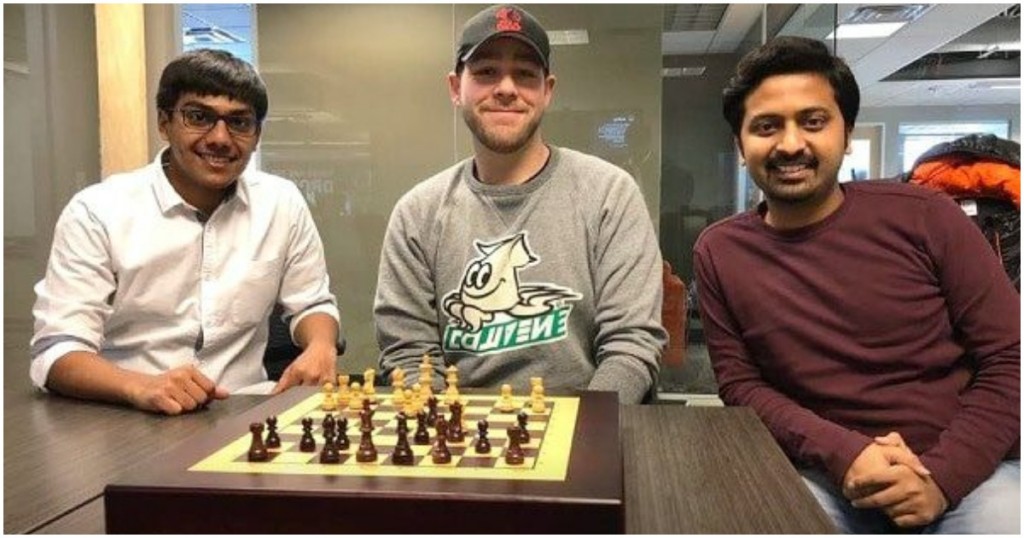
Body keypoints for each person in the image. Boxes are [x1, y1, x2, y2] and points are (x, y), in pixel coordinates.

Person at [693, 36, 1020, 533]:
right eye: (766, 127)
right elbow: (741, 386)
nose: (790, 144)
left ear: (846, 134)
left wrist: (942, 478)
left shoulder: (927, 216)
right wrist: (846, 454)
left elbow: (1010, 358)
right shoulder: (719, 252)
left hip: (968, 473)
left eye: (813, 121)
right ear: (741, 147)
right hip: (823, 474)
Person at [373, 5, 666, 404]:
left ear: (548, 91)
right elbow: (408, 354)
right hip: (460, 435)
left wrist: (583, 438)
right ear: (455, 88)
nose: (506, 88)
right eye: (486, 71)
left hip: (587, 426)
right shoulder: (417, 213)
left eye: (525, 74)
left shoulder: (610, 194)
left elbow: (631, 346)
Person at [30, 49, 341, 415]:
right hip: (125, 412)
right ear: (164, 123)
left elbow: (312, 302)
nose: (221, 138)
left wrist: (321, 346)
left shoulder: (281, 202)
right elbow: (57, 350)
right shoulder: (98, 211)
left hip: (243, 412)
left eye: (239, 122)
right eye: (199, 117)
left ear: (257, 136)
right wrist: (140, 386)